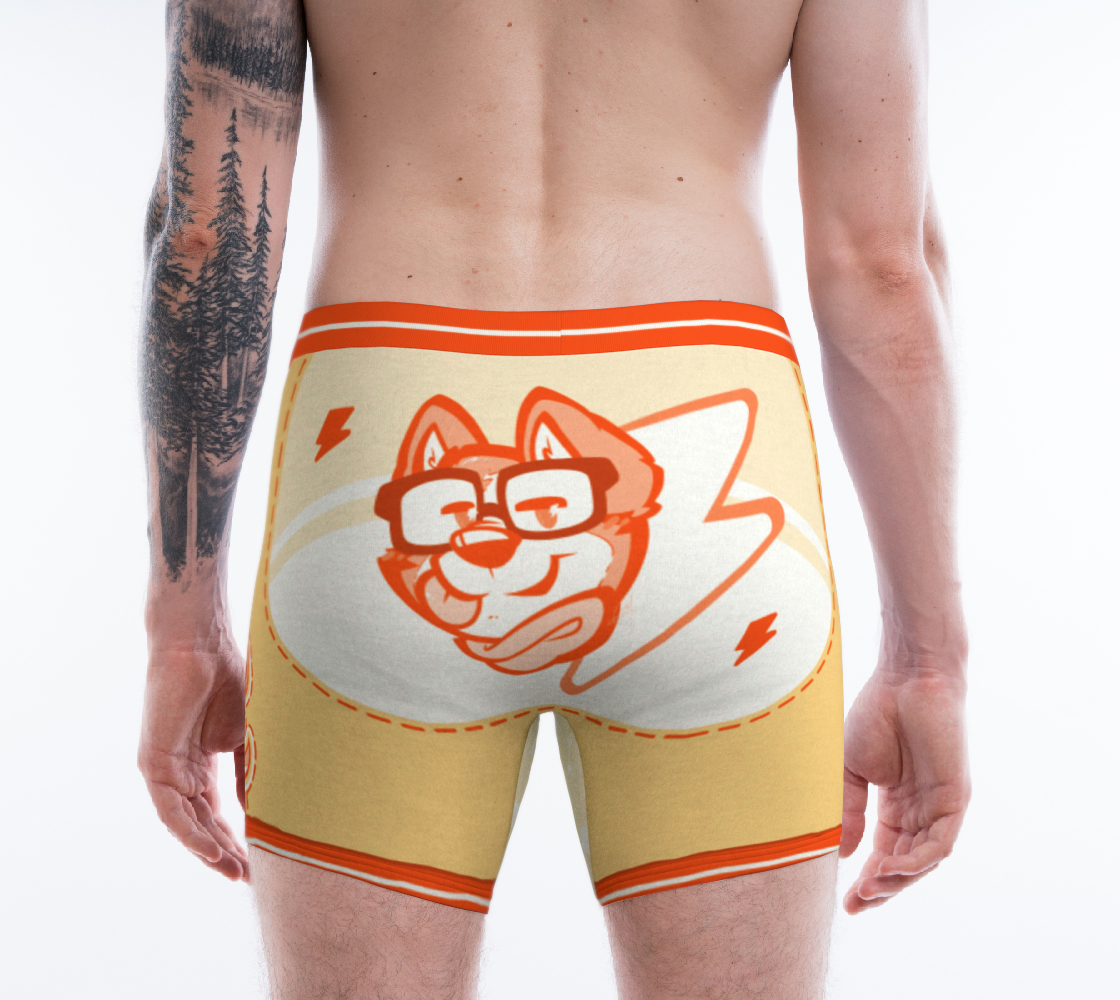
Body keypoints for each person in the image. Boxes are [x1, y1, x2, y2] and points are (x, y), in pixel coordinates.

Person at [138, 0, 970, 996]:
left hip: (389, 468)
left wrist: (182, 632)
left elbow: (208, 238)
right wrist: (929, 662)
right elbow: (882, 269)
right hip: (707, 476)